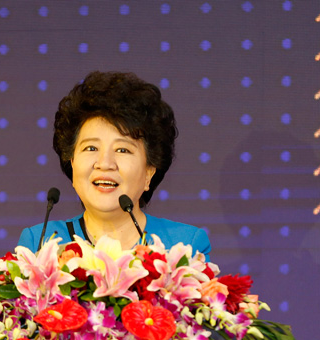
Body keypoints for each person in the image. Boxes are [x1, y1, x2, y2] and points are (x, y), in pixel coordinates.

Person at [17, 71, 211, 259]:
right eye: (91, 148)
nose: (105, 163)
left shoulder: (184, 246)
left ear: (149, 173)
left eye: (123, 150)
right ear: (72, 163)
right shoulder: (40, 243)